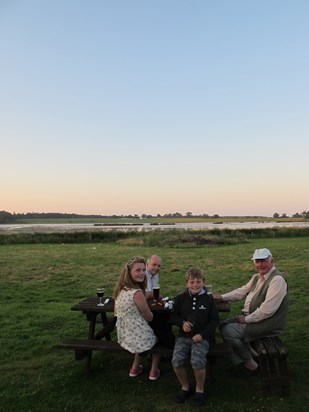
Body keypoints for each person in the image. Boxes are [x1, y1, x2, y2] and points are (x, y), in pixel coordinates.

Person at [213, 248, 288, 379]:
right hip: (254, 318)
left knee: (228, 331)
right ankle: (251, 356)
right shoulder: (257, 277)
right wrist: (220, 297)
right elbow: (241, 292)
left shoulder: (277, 280)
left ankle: (251, 365)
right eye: (257, 261)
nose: (260, 265)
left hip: (267, 323)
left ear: (272, 261)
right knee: (223, 324)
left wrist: (246, 319)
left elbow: (267, 310)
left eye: (263, 261)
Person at [171, 268, 219, 407]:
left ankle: (199, 389)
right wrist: (182, 323)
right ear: (187, 283)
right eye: (192, 282)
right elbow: (173, 315)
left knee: (197, 360)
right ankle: (185, 387)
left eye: (198, 282)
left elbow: (214, 320)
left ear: (203, 282)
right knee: (176, 360)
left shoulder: (209, 300)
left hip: (202, 337)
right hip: (183, 337)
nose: (195, 285)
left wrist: (202, 335)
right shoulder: (180, 298)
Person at [113, 256, 161, 380]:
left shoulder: (120, 290)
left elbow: (116, 313)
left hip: (124, 336)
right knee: (161, 336)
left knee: (140, 334)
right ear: (129, 272)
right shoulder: (137, 293)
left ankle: (135, 368)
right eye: (138, 270)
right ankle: (154, 370)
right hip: (139, 338)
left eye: (143, 270)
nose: (142, 273)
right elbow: (149, 317)